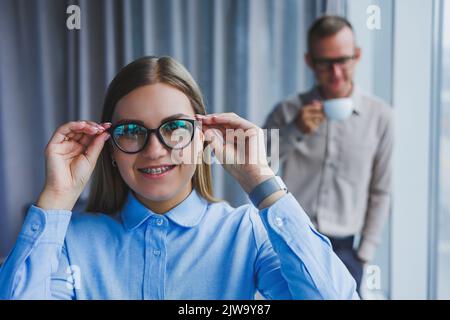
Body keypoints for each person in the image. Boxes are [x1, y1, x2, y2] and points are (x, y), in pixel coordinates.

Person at [0, 56, 357, 300]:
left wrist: (261, 180)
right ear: (109, 146)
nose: (154, 150)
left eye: (174, 128)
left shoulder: (246, 232)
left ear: (202, 137)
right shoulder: (70, 240)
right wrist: (57, 197)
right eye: (131, 131)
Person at [264, 16, 393, 292]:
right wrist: (294, 130)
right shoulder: (287, 111)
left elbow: (380, 191)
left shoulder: (380, 116)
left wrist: (363, 255)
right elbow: (257, 163)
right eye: (325, 64)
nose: (335, 73)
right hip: (291, 241)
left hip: (347, 251)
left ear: (357, 56)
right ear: (310, 61)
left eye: (343, 61)